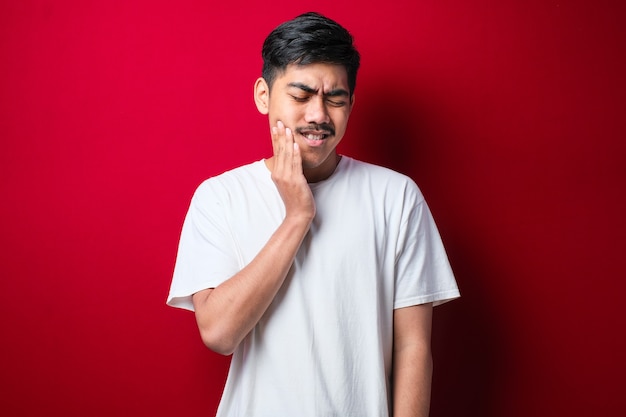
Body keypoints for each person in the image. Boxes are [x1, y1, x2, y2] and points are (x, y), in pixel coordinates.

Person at [167, 11, 460, 417]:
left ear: (351, 104)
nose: (319, 115)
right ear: (263, 96)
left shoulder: (397, 197)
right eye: (301, 96)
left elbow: (413, 346)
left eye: (335, 98)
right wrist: (296, 217)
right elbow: (218, 332)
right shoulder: (219, 197)